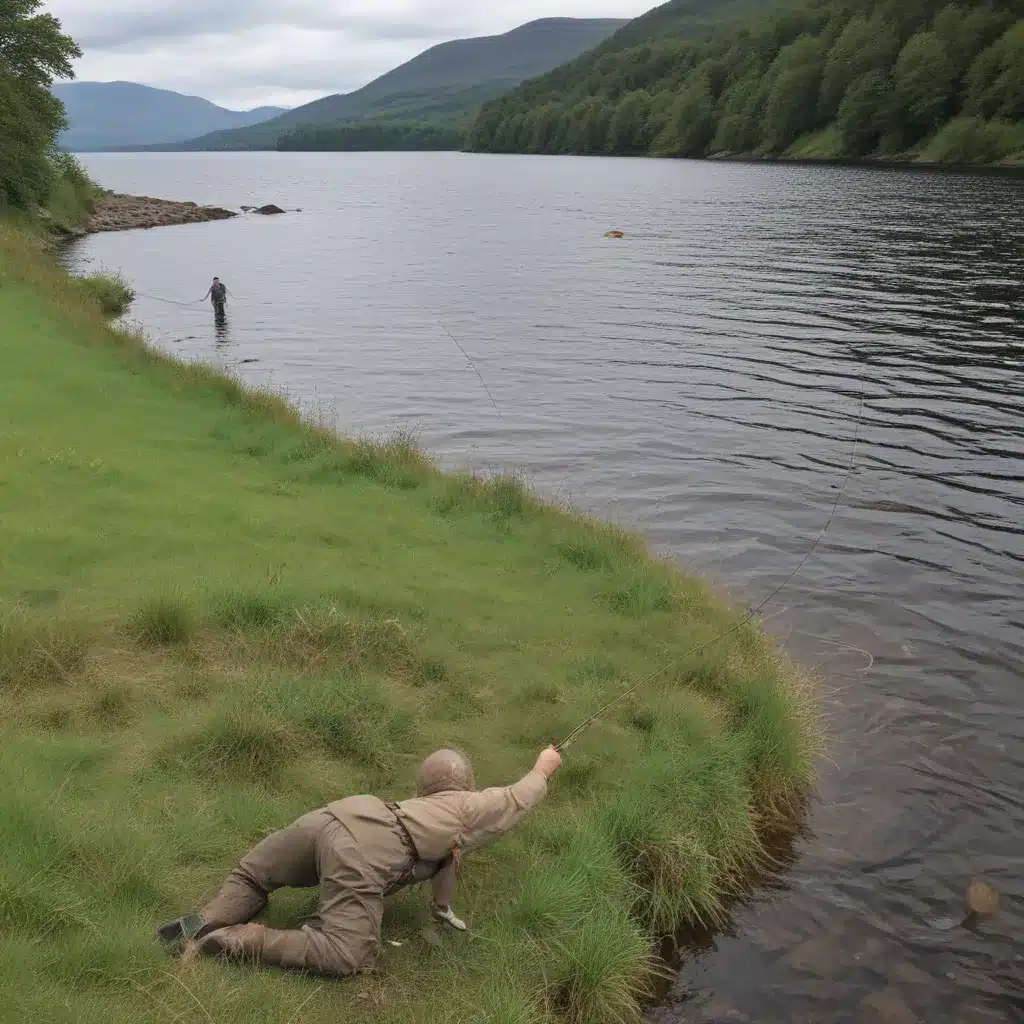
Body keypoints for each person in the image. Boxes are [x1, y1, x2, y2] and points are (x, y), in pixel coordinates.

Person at [157, 745, 562, 976]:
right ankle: (240, 939)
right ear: (467, 784)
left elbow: (446, 867)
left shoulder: (418, 807)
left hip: (337, 814)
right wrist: (544, 766)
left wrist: (442, 909)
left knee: (253, 874)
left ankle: (208, 916)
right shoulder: (463, 807)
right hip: (365, 847)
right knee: (343, 953)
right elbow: (516, 798)